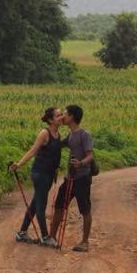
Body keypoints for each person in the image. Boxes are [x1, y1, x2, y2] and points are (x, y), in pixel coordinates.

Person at [10, 106, 63, 246]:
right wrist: (19, 164)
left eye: (61, 114)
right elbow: (33, 151)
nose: (61, 117)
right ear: (51, 120)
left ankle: (22, 233)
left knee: (35, 204)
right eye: (58, 115)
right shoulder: (44, 133)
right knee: (41, 205)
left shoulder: (58, 134)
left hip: (49, 174)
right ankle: (45, 237)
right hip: (40, 173)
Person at [50, 104, 94, 252]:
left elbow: (90, 156)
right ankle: (52, 237)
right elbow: (56, 145)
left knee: (85, 209)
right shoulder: (70, 135)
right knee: (58, 206)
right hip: (70, 177)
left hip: (82, 177)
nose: (63, 117)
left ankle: (85, 242)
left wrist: (80, 163)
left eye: (65, 114)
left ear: (72, 117)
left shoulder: (84, 134)